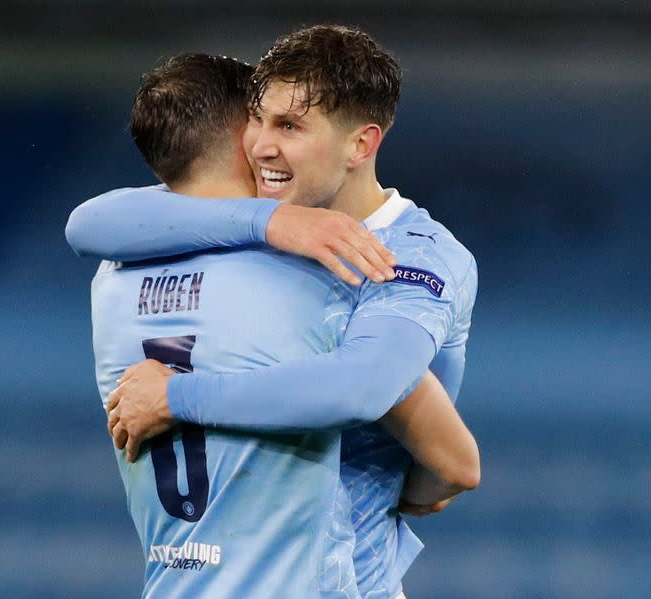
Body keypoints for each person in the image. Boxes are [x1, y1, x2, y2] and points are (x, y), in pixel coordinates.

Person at [68, 28, 479, 599]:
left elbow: (369, 394)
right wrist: (266, 222)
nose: (259, 144)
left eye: (288, 126)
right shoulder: (258, 222)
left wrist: (175, 398)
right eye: (257, 119)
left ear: (360, 146)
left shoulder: (413, 257)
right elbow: (87, 223)